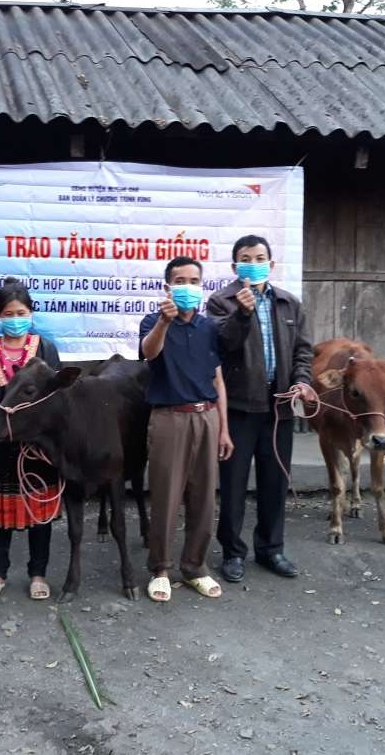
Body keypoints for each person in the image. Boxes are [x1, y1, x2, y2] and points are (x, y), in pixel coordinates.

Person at [206, 235, 314, 583]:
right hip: (239, 407)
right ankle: (233, 553)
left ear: (271, 264)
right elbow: (223, 343)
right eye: (245, 258)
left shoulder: (289, 303)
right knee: (234, 484)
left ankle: (271, 549)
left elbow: (303, 350)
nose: (253, 262)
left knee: (275, 482)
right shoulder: (221, 301)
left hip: (279, 407)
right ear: (235, 266)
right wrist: (243, 312)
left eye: (260, 257)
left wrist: (301, 380)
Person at [139, 256, 234, 603]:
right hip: (169, 418)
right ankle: (160, 569)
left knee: (204, 497)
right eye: (180, 280)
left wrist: (223, 428)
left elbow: (218, 379)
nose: (187, 287)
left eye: (194, 280)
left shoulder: (209, 327)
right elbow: (149, 353)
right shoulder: (153, 321)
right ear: (167, 286)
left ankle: (194, 567)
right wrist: (164, 323)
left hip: (206, 415)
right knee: (166, 496)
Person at [0, 278, 62, 600]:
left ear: (31, 313)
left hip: (38, 450)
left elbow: (59, 399)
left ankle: (38, 574)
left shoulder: (46, 349)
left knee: (40, 513)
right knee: (0, 515)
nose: (15, 319)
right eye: (8, 314)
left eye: (21, 312)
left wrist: (52, 442)